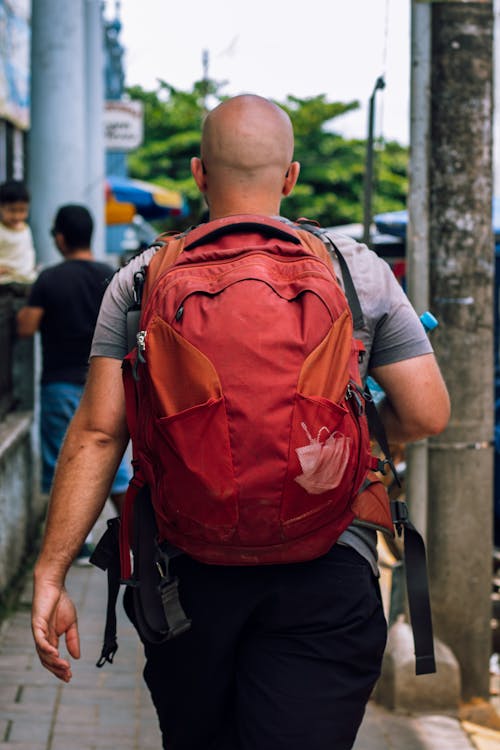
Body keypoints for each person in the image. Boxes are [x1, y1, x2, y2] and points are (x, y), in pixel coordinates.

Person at [31, 97, 450, 749]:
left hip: (186, 574)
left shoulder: (141, 279)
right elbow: (427, 412)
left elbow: (97, 433)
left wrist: (52, 574)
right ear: (291, 176)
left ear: (200, 174)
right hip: (329, 561)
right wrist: (342, 433)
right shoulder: (355, 270)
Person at [17, 204, 130, 561]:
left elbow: (25, 327)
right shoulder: (112, 276)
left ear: (61, 238)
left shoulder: (49, 279)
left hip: (59, 384)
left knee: (59, 466)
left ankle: (73, 548)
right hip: (106, 385)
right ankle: (135, 536)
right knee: (115, 468)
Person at [0, 179, 36, 283]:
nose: (17, 216)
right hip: (5, 283)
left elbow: (29, 252)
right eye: (12, 210)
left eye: (22, 210)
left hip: (26, 280)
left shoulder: (26, 229)